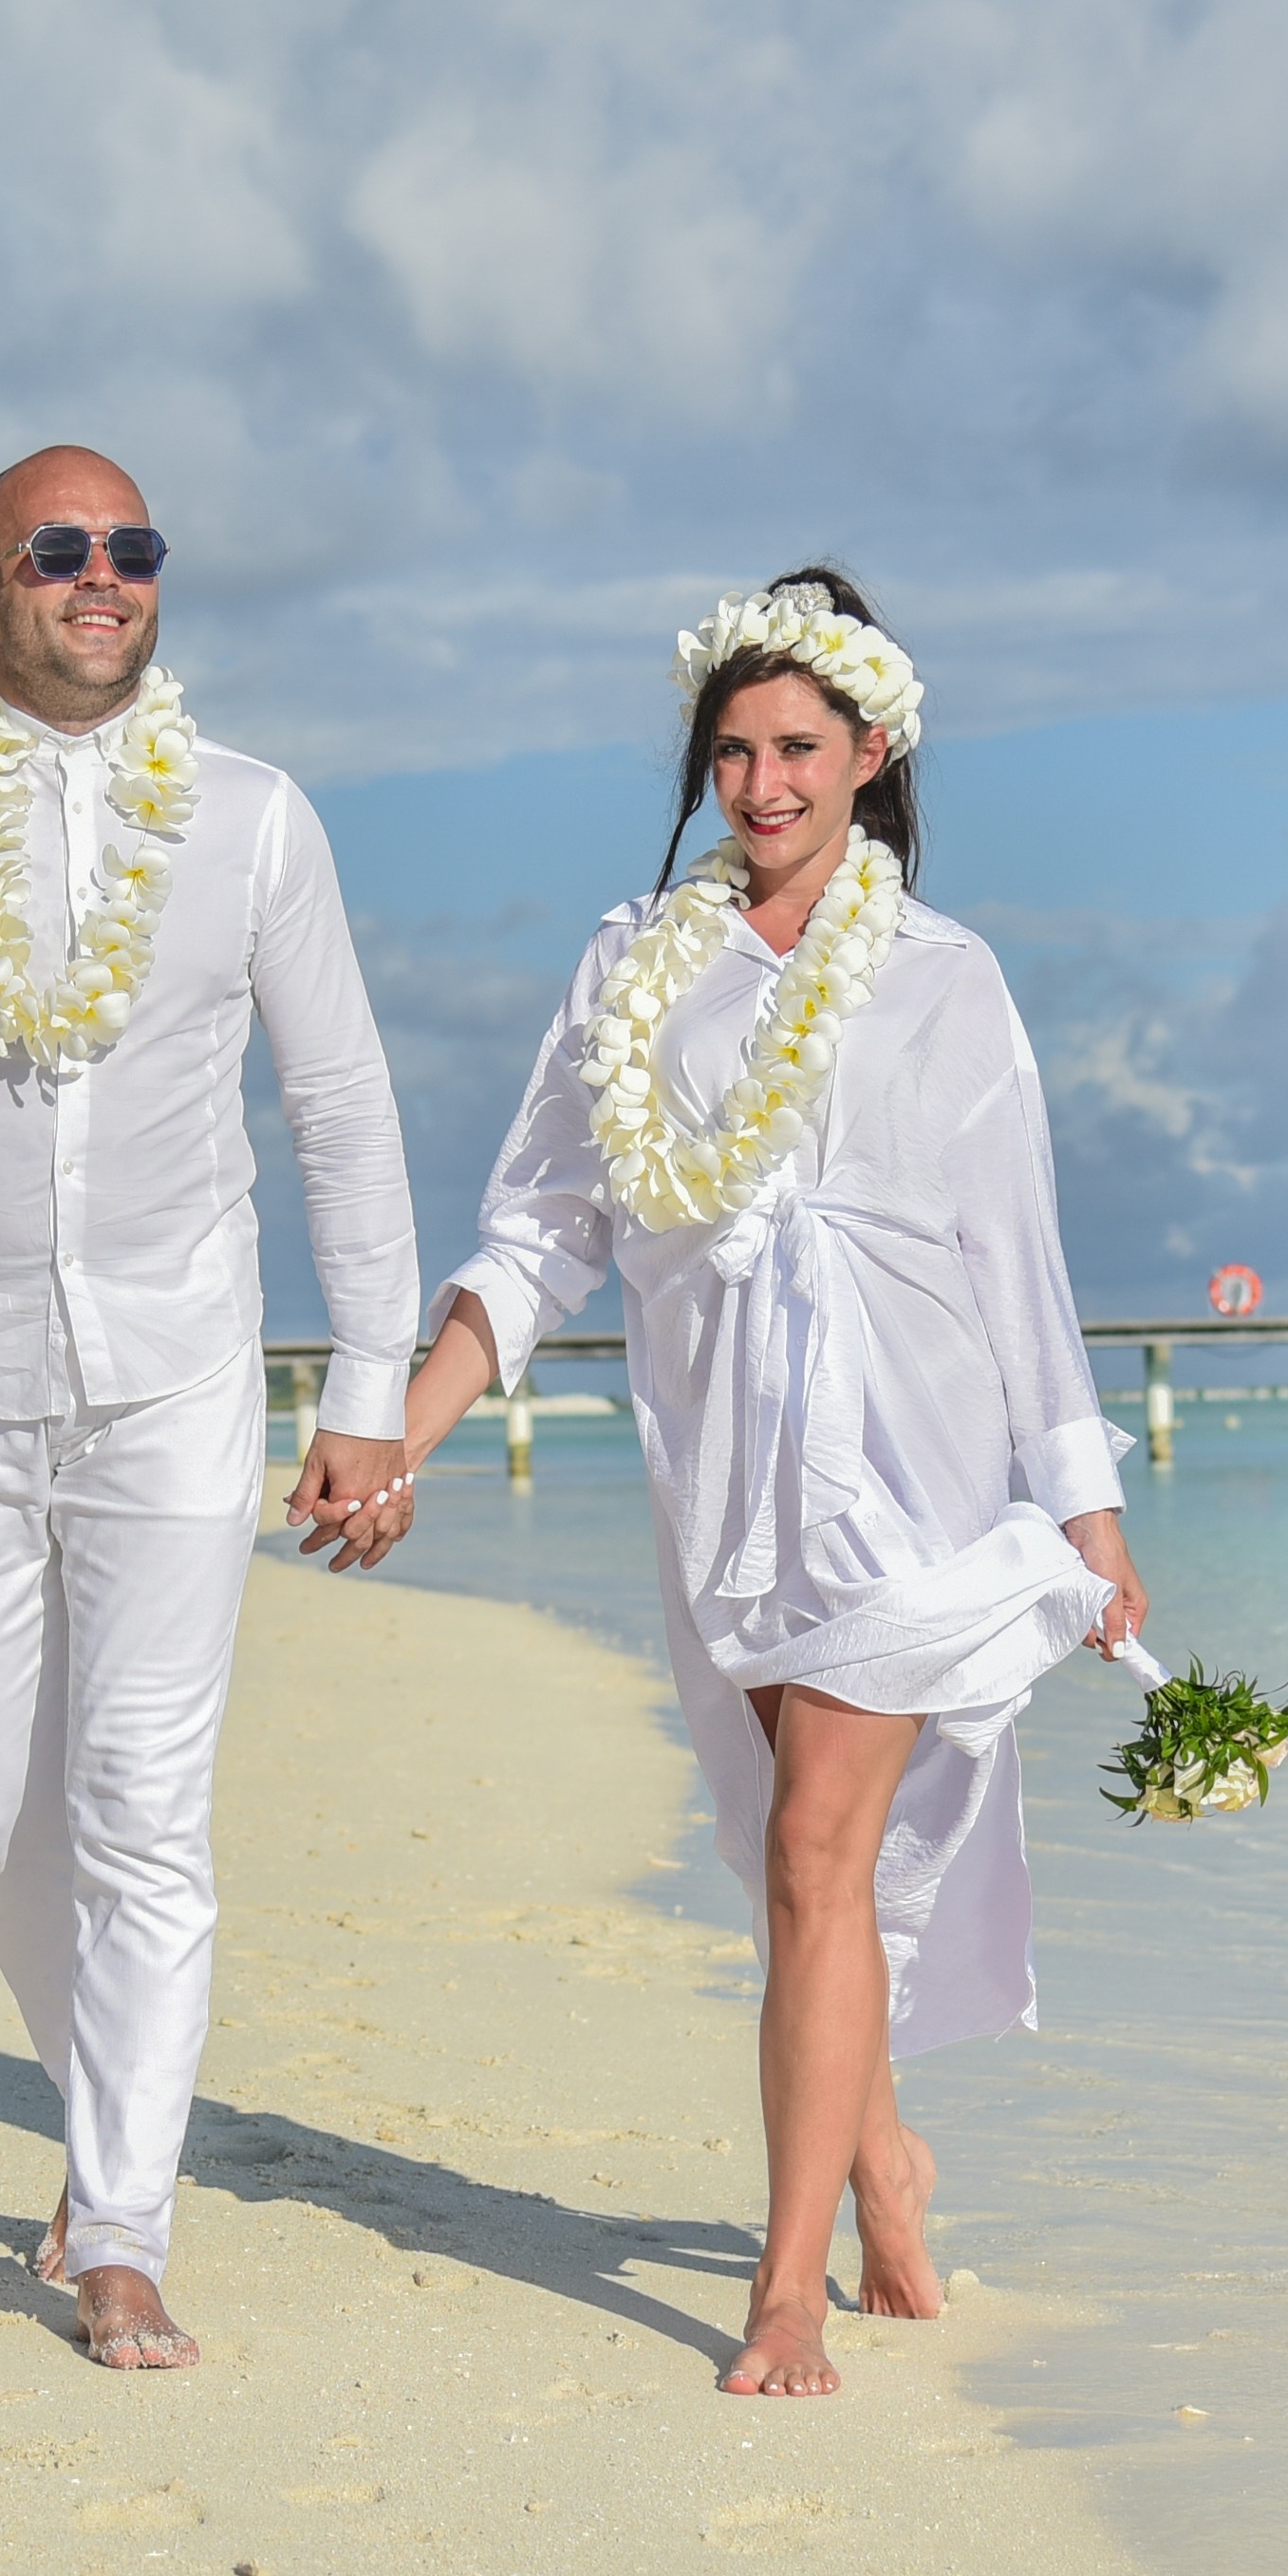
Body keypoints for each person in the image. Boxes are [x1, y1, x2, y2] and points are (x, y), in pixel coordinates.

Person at [394, 568, 1143, 2397]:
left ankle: (783, 2287)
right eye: (731, 751)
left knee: (818, 1845)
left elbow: (1018, 1259)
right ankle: (885, 2162)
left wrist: (1089, 1512)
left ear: (873, 751)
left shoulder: (949, 978)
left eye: (798, 746)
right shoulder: (631, 969)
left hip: (915, 1470)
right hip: (728, 1470)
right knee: (793, 1866)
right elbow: (546, 1224)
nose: (762, 784)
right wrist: (403, 1430)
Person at [0, 445, 425, 2371]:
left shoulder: (255, 817)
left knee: (140, 1808)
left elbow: (341, 1102)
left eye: (131, 546)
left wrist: (369, 1382)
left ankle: (119, 2220)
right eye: (56, 550)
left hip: (179, 1379)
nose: (100, 574)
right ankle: (103, 2100)